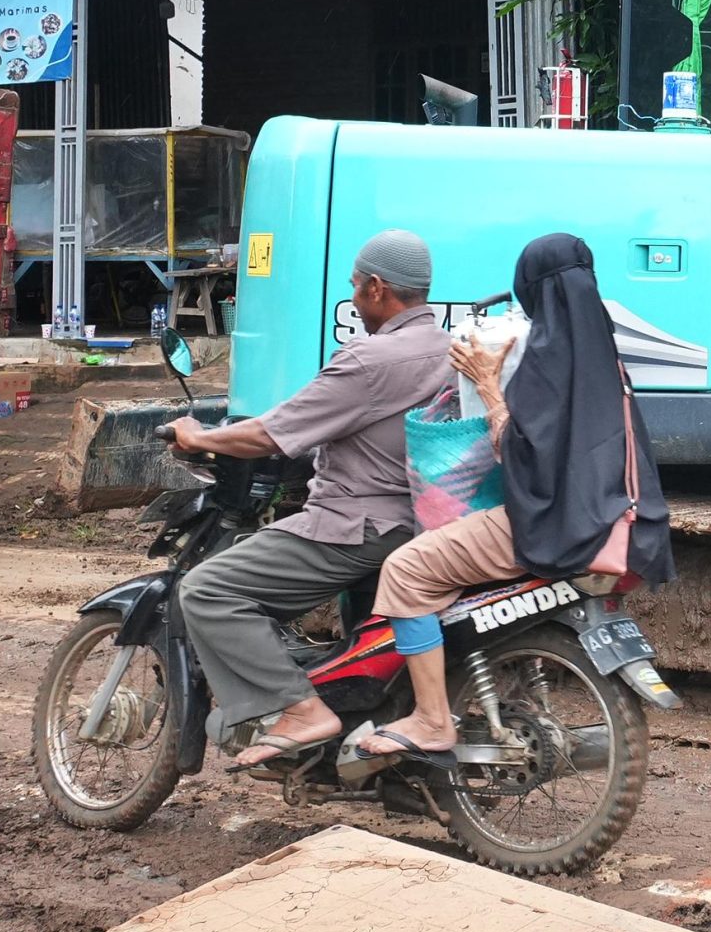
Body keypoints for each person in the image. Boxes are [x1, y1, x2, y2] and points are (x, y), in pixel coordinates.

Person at [354, 233, 675, 763]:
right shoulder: (603, 351)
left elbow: (522, 455)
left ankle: (433, 719)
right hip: (624, 521)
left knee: (405, 570)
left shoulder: (544, 357)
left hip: (561, 523)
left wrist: (488, 387)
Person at [173, 230, 449, 769]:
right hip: (426, 524)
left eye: (353, 286)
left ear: (375, 287)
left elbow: (271, 433)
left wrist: (198, 437)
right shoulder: (449, 347)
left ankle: (300, 709)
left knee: (206, 588)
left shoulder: (369, 360)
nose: (353, 297)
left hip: (359, 525)